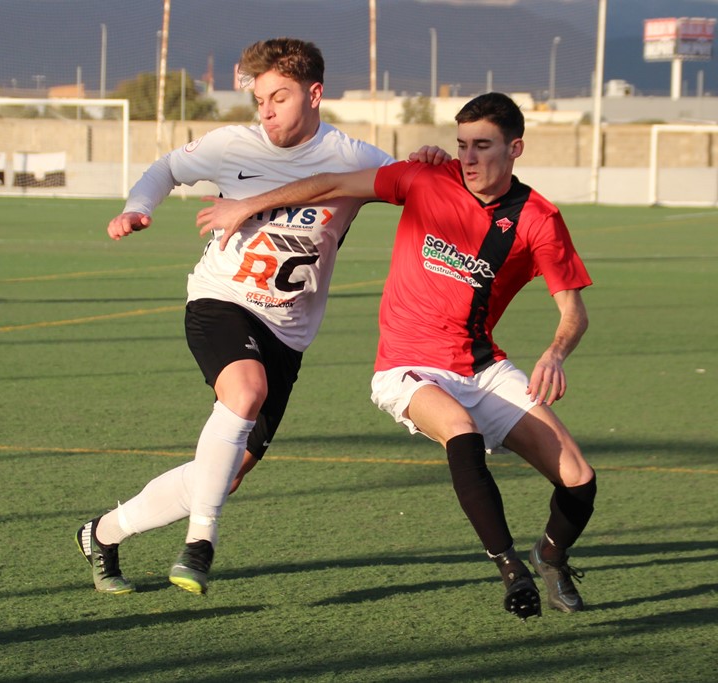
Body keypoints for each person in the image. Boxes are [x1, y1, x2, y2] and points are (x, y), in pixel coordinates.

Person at [196, 92, 596, 620]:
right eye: (462, 145)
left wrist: (555, 353)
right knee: (460, 431)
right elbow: (332, 184)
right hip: (407, 365)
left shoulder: (538, 218)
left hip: (481, 365)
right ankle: (510, 570)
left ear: (515, 148)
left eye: (482, 146)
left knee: (578, 478)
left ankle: (549, 555)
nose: (468, 157)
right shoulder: (425, 178)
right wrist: (249, 204)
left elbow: (573, 311)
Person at [75, 37, 447, 596]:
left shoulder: (354, 157)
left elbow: (412, 181)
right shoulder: (232, 145)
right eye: (259, 100)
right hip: (221, 300)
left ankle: (102, 532)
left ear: (314, 94)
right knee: (245, 391)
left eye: (280, 97)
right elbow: (167, 167)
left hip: (288, 333)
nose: (266, 111)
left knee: (224, 475)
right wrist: (137, 207)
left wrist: (429, 158)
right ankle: (201, 542)